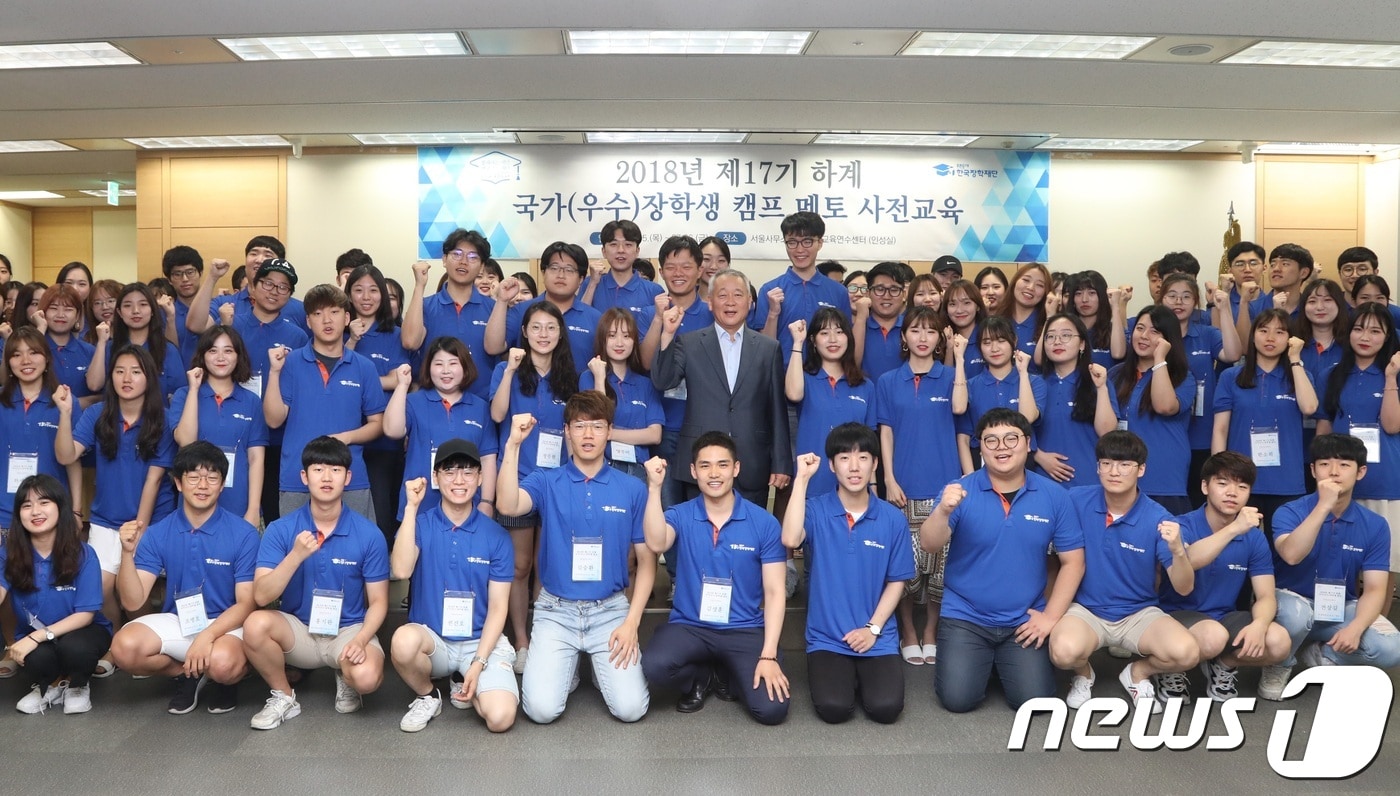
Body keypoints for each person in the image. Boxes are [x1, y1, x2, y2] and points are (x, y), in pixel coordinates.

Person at [496, 392, 654, 725]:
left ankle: (600, 667)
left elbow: (647, 562)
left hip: (611, 611)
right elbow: (508, 506)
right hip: (556, 611)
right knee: (540, 711)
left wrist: (632, 623)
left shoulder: (632, 487)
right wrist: (512, 446)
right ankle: (568, 667)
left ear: (610, 431)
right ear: (566, 431)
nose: (588, 435)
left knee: (631, 710)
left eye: (597, 426)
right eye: (579, 426)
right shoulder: (546, 480)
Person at [920, 409, 1085, 712]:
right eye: (991, 440)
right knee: (958, 700)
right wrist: (942, 510)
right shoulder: (959, 490)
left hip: (1023, 618)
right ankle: (983, 662)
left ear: (1027, 442)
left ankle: (999, 663)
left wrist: (1050, 617)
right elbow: (929, 545)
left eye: (1011, 438)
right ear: (980, 447)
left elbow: (1074, 562)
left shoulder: (1053, 495)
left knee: (1034, 703)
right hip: (966, 617)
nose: (1001, 447)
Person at [242, 436, 390, 730]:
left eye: (335, 470)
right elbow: (260, 595)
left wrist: (360, 641)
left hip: (347, 631)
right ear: (304, 477)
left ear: (347, 477)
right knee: (255, 624)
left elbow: (379, 603)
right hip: (300, 633)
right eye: (318, 469)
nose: (326, 477)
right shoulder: (281, 529)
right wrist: (295, 556)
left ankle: (345, 674)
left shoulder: (369, 534)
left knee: (367, 677)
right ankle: (283, 695)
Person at [642, 432, 788, 723]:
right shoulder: (680, 514)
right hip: (691, 626)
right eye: (705, 466)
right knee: (653, 666)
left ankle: (729, 670)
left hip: (744, 628)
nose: (714, 473)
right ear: (693, 471)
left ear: (736, 469)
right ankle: (702, 675)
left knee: (772, 710)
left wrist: (768, 655)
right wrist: (654, 489)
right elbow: (657, 543)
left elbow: (774, 592)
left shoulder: (764, 523)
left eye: (722, 465)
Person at [1048, 431, 1200, 711]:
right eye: (1106, 464)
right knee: (1064, 652)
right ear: (1097, 468)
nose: (1114, 472)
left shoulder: (1159, 518)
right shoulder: (1075, 500)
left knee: (1187, 653)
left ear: (1141, 469)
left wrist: (1179, 551)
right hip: (1087, 610)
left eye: (1124, 465)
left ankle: (1137, 674)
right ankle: (1083, 675)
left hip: (1138, 613)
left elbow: (1183, 587)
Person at [110, 442, 259, 714]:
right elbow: (133, 602)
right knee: (123, 647)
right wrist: (127, 554)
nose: (203, 485)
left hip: (227, 623)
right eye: (193, 477)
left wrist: (207, 637)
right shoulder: (158, 532)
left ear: (222, 484)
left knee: (223, 664)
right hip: (180, 620)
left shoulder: (244, 533)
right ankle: (187, 674)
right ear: (179, 483)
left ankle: (222, 678)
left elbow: (246, 603)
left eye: (212, 477)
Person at [56, 345, 177, 673]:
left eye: (136, 371)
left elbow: (154, 482)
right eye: (120, 371)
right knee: (102, 589)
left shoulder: (161, 420)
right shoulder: (97, 415)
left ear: (148, 378)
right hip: (106, 522)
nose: (127, 378)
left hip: (152, 521)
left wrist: (139, 527)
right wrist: (66, 414)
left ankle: (137, 642)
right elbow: (67, 456)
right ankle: (116, 642)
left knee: (133, 593)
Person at [783, 424, 914, 723]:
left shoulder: (892, 518)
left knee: (886, 709)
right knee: (834, 709)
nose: (854, 467)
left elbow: (897, 581)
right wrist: (801, 479)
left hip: (876, 636)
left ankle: (865, 674)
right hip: (827, 637)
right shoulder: (815, 510)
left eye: (863, 457)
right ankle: (846, 677)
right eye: (844, 458)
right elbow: (790, 539)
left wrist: (873, 629)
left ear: (875, 464)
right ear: (831, 465)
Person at [1258, 433, 1400, 699]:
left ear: (1361, 472)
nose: (1334, 472)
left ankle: (1322, 655)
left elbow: (1374, 589)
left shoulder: (1375, 525)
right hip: (1289, 604)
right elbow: (1291, 555)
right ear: (1313, 469)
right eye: (1324, 464)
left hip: (1337, 608)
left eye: (1345, 465)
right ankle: (1279, 664)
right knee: (1296, 615)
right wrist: (1323, 507)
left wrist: (1355, 629)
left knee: (1392, 647)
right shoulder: (1290, 511)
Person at [389, 440, 517, 733]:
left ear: (480, 478)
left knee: (500, 719)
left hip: (479, 641)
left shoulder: (496, 536)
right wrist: (410, 507)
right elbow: (400, 569)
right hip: (435, 640)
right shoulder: (420, 524)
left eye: (468, 472)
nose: (459, 480)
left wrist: (479, 662)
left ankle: (468, 679)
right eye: (449, 472)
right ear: (436, 478)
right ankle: (428, 695)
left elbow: (499, 607)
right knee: (402, 641)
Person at [1157, 451, 1291, 702]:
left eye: (1242, 486)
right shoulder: (1182, 525)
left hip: (1223, 616)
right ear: (1205, 487)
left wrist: (1259, 625)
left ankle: (1223, 664)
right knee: (1212, 636)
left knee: (1279, 641)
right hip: (1174, 614)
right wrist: (1234, 529)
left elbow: (1265, 595)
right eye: (1223, 483)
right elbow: (1189, 560)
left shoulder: (1253, 537)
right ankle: (1168, 668)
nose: (1232, 492)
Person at [652, 268, 791, 505]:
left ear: (750, 301)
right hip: (701, 463)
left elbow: (777, 409)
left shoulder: (769, 348)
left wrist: (781, 462)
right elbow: (663, 381)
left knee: (747, 536)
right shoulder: (690, 342)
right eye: (722, 295)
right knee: (698, 536)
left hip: (751, 461)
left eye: (738, 295)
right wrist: (667, 335)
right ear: (709, 302)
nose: (730, 302)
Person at [488, 301, 577, 669]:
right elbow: (496, 414)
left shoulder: (571, 376)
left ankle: (543, 636)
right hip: (519, 480)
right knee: (519, 567)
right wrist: (509, 371)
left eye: (551, 328)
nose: (543, 334)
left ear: (560, 334)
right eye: (536, 327)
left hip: (558, 482)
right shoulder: (503, 369)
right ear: (524, 332)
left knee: (547, 564)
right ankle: (521, 640)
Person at [876, 306, 966, 664]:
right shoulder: (887, 381)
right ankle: (907, 630)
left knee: (941, 567)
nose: (923, 338)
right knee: (904, 566)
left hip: (945, 487)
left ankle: (930, 629)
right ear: (904, 337)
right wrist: (888, 478)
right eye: (915, 330)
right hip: (903, 487)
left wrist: (958, 360)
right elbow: (886, 431)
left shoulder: (951, 378)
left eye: (931, 332)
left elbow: (961, 421)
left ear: (940, 337)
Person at [264, 284, 386, 521]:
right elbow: (273, 419)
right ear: (308, 322)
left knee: (355, 552)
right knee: (297, 553)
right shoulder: (291, 362)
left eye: (334, 312)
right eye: (318, 314)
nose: (327, 320)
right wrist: (274, 373)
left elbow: (378, 424)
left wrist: (345, 438)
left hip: (350, 477)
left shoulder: (364, 367)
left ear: (347, 317)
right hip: (297, 478)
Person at [201, 258, 307, 525]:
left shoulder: (297, 337)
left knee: (272, 512)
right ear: (253, 287)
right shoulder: (232, 328)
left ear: (290, 296)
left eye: (283, 287)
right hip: (234, 434)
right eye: (268, 283)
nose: (274, 291)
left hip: (278, 438)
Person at [1, 474, 112, 714]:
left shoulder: (83, 553)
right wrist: (32, 639)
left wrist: (37, 637)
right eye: (26, 505)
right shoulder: (9, 553)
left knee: (75, 649)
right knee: (37, 659)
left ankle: (78, 684)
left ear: (60, 508)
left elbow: (85, 615)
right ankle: (50, 684)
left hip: (82, 632)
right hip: (34, 632)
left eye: (44, 503)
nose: (35, 511)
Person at [1318, 304, 1400, 616]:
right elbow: (1324, 427)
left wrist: (1391, 376)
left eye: (1375, 330)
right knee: (1341, 556)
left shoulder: (1395, 374)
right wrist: (1322, 472)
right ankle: (1340, 621)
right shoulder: (1332, 374)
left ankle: (1376, 623)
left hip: (1386, 480)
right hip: (1340, 480)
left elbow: (1392, 425)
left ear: (1388, 337)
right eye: (1358, 328)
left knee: (1385, 561)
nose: (1365, 337)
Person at [1212, 309, 1317, 538]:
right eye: (1263, 330)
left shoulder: (1300, 375)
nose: (1270, 338)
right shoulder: (1231, 377)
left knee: (1282, 552)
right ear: (1252, 335)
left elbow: (1309, 408)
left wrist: (1295, 360)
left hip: (1287, 480)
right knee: (1238, 550)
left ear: (1290, 338)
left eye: (1280, 332)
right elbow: (1220, 429)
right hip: (1240, 480)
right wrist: (1219, 474)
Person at [636, 236, 715, 513]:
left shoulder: (713, 313)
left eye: (685, 266)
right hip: (662, 424)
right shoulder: (648, 314)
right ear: (660, 271)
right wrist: (659, 318)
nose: (678, 274)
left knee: (702, 510)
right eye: (670, 267)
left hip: (702, 425)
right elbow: (646, 363)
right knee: (668, 510)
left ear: (699, 270)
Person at [384, 337, 498, 523]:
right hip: (420, 503)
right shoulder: (414, 402)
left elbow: (487, 457)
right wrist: (403, 386)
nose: (446, 371)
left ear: (465, 367)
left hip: (468, 504)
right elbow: (392, 431)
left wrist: (486, 501)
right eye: (438, 364)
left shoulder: (481, 407)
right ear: (429, 368)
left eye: (453, 363)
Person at [1156, 273, 1243, 509]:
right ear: (1161, 299)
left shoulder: (1206, 333)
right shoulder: (1154, 336)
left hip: (1201, 434)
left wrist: (1223, 309)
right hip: (1165, 435)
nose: (1178, 302)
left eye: (1186, 297)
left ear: (1195, 302)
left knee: (1198, 501)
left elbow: (1233, 354)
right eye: (1171, 296)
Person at [169, 325, 268, 525]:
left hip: (238, 502)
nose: (220, 357)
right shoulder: (184, 395)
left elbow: (256, 458)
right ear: (202, 356)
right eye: (213, 351)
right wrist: (194, 389)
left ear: (238, 356)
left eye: (228, 350)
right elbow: (186, 441)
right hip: (194, 499)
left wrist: (253, 509)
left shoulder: (251, 401)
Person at [343, 264, 412, 539]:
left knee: (381, 511)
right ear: (348, 295)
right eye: (358, 290)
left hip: (384, 439)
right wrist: (352, 341)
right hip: (344, 432)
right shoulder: (338, 331)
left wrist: (362, 381)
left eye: (373, 290)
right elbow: (333, 373)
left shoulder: (394, 334)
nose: (366, 296)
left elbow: (398, 379)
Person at [1109, 306, 1197, 513]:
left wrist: (1159, 360)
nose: (1144, 336)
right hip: (1121, 475)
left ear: (1168, 340)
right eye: (1140, 328)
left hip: (1164, 478)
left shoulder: (1182, 376)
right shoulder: (1116, 374)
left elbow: (1164, 406)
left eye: (1154, 331)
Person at [786, 309, 875, 497]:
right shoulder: (804, 379)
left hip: (856, 486)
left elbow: (870, 444)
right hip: (813, 484)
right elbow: (793, 394)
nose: (833, 339)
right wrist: (797, 342)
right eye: (824, 333)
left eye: (839, 331)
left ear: (849, 338)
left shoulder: (865, 386)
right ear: (813, 341)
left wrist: (873, 487)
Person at [401, 228, 498, 398]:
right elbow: (410, 342)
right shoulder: (425, 306)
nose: (463, 262)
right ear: (444, 259)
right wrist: (419, 285)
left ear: (482, 265)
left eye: (473, 257)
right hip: (433, 406)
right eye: (457, 254)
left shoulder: (493, 309)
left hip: (482, 406)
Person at [0, 328, 82, 527]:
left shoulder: (65, 401)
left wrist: (76, 511)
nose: (25, 360)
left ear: (46, 358)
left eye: (33, 352)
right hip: (3, 516)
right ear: (9, 363)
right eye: (16, 355)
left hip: (51, 514)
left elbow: (72, 462)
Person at [755, 212, 853, 368]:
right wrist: (773, 314)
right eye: (792, 242)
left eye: (807, 241)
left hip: (825, 380)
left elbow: (846, 342)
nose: (799, 249)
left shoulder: (839, 292)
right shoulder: (769, 290)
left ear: (820, 243)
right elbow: (763, 347)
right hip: (782, 377)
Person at [489, 242, 602, 376]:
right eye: (554, 268)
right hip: (529, 392)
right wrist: (502, 301)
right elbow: (493, 348)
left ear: (581, 279)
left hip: (579, 395)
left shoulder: (595, 318)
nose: (561, 275)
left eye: (569, 269)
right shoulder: (521, 311)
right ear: (543, 273)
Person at [1033, 314, 1117, 487]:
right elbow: (1018, 431)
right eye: (1050, 336)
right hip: (1042, 480)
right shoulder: (1034, 383)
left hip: (1088, 480)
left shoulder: (1098, 381)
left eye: (1066, 335)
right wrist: (1037, 455)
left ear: (1082, 344)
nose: (1057, 341)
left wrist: (1101, 388)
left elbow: (1107, 432)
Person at [582, 308, 663, 479]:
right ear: (602, 340)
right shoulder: (589, 377)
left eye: (626, 336)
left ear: (634, 341)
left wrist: (610, 433)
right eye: (612, 335)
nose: (620, 343)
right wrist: (599, 379)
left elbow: (655, 435)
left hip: (639, 469)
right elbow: (596, 423)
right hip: (603, 467)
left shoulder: (645, 383)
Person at [957, 316, 1044, 475]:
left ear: (1014, 340)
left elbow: (1028, 417)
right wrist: (971, 477)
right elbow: (963, 437)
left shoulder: (1034, 382)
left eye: (1001, 340)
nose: (994, 348)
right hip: (982, 460)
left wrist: (1023, 373)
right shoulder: (971, 385)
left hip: (1023, 460)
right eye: (987, 343)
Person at [88, 282, 184, 399]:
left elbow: (179, 396)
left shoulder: (168, 350)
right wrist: (101, 343)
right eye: (128, 305)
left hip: (158, 416)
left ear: (153, 310)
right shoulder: (109, 347)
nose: (136, 311)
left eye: (143, 304)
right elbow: (94, 385)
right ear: (119, 312)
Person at [206, 236, 306, 330]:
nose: (259, 260)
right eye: (253, 254)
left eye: (268, 255)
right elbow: (197, 327)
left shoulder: (300, 309)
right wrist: (212, 277)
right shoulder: (224, 304)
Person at [582, 219, 664, 315]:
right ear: (604, 251)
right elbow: (581, 322)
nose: (621, 250)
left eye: (628, 244)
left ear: (637, 251)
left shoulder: (654, 291)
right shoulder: (590, 283)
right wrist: (593, 284)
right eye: (613, 244)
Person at [1236, 243, 1314, 343]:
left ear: (1303, 273)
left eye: (1285, 264)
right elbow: (1244, 348)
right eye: (1272, 264)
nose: (1276, 269)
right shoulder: (1253, 307)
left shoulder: (1311, 309)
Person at [39, 286, 97, 408]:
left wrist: (71, 404)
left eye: (68, 309)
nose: (60, 315)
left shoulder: (90, 351)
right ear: (43, 312)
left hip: (82, 423)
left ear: (77, 316)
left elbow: (102, 397)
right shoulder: (35, 349)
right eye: (53, 308)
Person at [850, 261, 907, 382]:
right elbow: (850, 365)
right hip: (865, 399)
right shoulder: (855, 329)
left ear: (904, 295)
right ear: (868, 293)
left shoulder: (913, 328)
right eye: (880, 289)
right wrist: (861, 318)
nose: (887, 296)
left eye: (894, 289)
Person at [162, 245, 215, 366]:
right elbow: (167, 354)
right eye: (177, 274)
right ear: (169, 280)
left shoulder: (214, 308)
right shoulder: (164, 313)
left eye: (190, 272)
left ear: (200, 273)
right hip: (178, 380)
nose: (185, 279)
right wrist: (170, 318)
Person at [1063, 271, 1127, 367]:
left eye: (1092, 293)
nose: (1084, 299)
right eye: (1078, 293)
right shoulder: (1066, 330)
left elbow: (1118, 354)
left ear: (1102, 296)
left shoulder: (1112, 331)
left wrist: (1115, 306)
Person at [998, 263, 1051, 364]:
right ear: (1015, 282)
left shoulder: (1047, 323)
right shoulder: (997, 319)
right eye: (1026, 280)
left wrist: (1050, 317)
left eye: (1039, 285)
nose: (1031, 287)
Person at [940, 279, 988, 378]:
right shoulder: (941, 339)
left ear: (978, 306)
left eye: (966, 303)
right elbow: (946, 383)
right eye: (952, 304)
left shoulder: (989, 337)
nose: (959, 310)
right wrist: (950, 349)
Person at [1217, 242, 1266, 325]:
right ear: (1230, 271)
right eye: (1240, 264)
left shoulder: (1272, 302)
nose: (1247, 269)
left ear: (1264, 268)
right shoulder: (1220, 301)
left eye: (1253, 263)